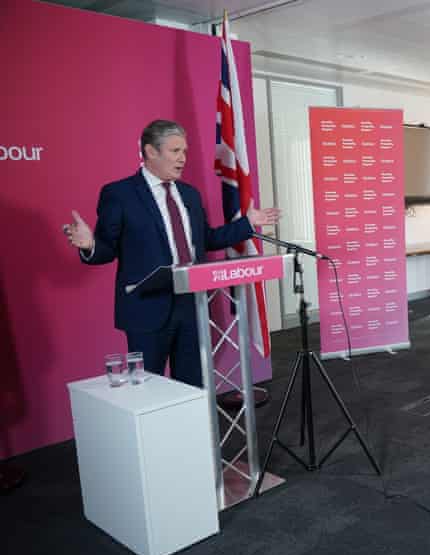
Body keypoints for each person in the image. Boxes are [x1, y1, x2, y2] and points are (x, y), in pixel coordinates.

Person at [63, 119, 281, 387]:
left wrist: (247, 224)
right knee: (148, 391)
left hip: (193, 306)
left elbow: (207, 240)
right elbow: (107, 249)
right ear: (151, 151)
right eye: (175, 151)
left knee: (192, 388)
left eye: (185, 152)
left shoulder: (189, 194)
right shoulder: (119, 194)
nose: (182, 159)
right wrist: (89, 245)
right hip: (147, 310)